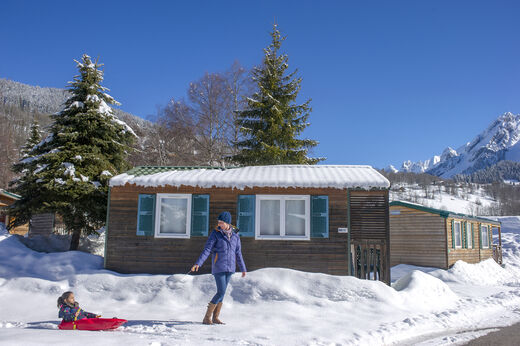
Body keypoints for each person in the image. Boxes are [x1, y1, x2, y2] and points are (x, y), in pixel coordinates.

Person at [192, 211, 246, 325]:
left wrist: (243, 268)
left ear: (227, 223)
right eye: (218, 222)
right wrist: (198, 263)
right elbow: (207, 249)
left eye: (221, 222)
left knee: (222, 293)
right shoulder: (215, 233)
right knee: (221, 292)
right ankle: (207, 318)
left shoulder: (235, 235)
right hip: (219, 267)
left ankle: (216, 317)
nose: (219, 224)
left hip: (230, 268)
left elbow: (238, 253)